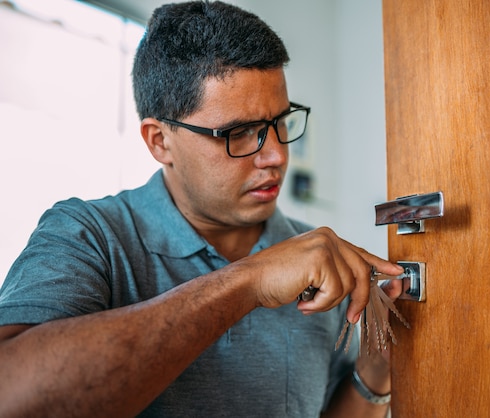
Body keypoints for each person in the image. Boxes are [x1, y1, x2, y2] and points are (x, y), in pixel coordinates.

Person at [0, 1, 403, 417]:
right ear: (159, 141)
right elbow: (12, 398)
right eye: (239, 133)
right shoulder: (89, 235)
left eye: (280, 122)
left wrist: (375, 372)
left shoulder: (319, 259)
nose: (277, 156)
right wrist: (251, 279)